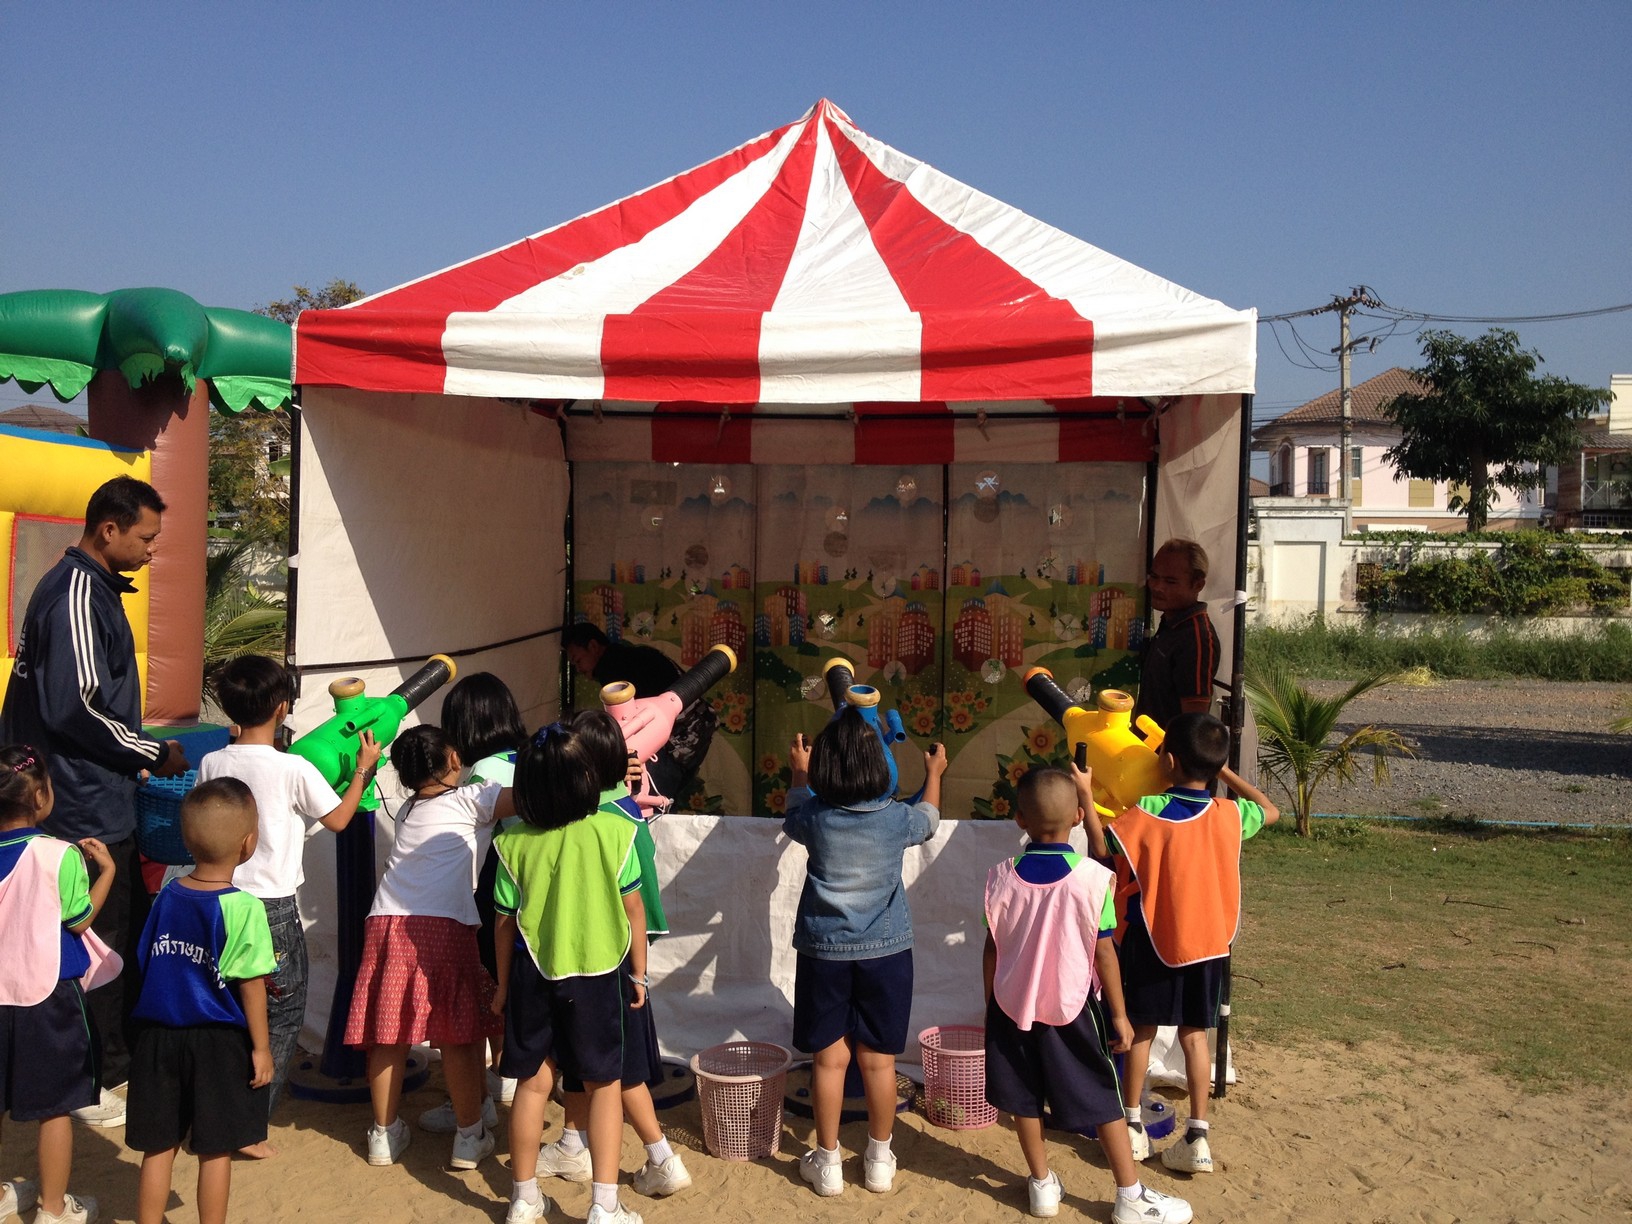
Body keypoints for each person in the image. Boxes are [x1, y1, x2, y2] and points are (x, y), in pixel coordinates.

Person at [0, 476, 191, 1125]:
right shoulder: (77, 594)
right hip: (80, 803)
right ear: (108, 530)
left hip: (91, 792)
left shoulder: (87, 588)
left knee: (110, 930)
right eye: (145, 537)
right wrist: (151, 752)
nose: (150, 550)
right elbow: (75, 708)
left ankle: (108, 1061)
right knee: (92, 940)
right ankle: (93, 1074)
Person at [982, 765, 1192, 1224]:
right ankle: (1129, 1195)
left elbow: (992, 947)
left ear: (1020, 819)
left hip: (1011, 1006)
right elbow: (1104, 954)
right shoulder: (1093, 879)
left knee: (1024, 1098)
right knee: (1102, 1096)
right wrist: (1119, 1015)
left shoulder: (999, 877)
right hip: (1073, 1007)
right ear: (1079, 816)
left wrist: (991, 1004)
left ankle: (1041, 1185)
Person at [196, 656, 383, 1151]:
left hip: (219, 902)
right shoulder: (292, 767)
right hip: (271, 908)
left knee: (229, 1005)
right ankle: (248, 1123)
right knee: (282, 1012)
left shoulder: (212, 763)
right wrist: (362, 771)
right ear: (282, 708)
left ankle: (215, 1107)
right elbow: (339, 819)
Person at [1088, 713, 1278, 1177]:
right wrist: (1222, 773)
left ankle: (1132, 1126)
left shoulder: (1148, 810)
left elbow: (1103, 851)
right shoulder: (1229, 814)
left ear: (1168, 761)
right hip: (1209, 945)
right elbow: (1269, 809)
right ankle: (1198, 1137)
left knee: (1142, 1029)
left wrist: (1083, 794)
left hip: (1153, 939)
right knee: (1195, 1036)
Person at [783, 711, 947, 1197]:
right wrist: (934, 774)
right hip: (887, 953)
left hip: (824, 952)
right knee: (879, 1061)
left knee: (828, 1060)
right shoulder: (896, 819)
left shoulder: (815, 818)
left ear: (825, 767)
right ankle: (878, 1159)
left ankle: (827, 1162)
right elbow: (930, 820)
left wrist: (799, 773)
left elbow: (792, 815)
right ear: (880, 764)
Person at [491, 721, 647, 1224]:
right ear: (587, 780)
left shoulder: (511, 842)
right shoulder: (616, 832)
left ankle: (523, 1198)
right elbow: (635, 912)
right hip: (598, 977)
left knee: (532, 1086)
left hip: (531, 975)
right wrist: (640, 975)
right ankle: (605, 1205)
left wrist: (501, 985)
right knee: (604, 1086)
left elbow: (503, 923)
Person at [531, 710, 689, 1200]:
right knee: (587, 1061)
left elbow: (632, 904)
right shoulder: (624, 809)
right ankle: (572, 1142)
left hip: (603, 962)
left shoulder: (596, 818)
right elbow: (643, 906)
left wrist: (636, 971)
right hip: (618, 958)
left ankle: (661, 1156)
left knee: (615, 1071)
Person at [343, 726, 508, 1171]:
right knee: (457, 1032)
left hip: (385, 919)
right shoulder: (474, 798)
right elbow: (536, 798)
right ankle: (469, 1136)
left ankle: (383, 1134)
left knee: (388, 1033)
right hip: (444, 922)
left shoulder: (408, 808)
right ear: (454, 759)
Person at [126, 778, 275, 1224]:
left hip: (157, 1038)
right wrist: (261, 1048)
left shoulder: (167, 893)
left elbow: (145, 958)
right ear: (248, 842)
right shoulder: (244, 907)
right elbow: (252, 986)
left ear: (186, 840)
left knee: (159, 1146)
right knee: (216, 1149)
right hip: (218, 1043)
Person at [0, 746, 117, 1224]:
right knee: (57, 1106)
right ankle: (53, 1209)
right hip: (48, 996)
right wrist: (107, 871)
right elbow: (79, 920)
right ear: (41, 797)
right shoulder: (59, 854)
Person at [417, 671, 530, 1132]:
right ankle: (505, 1077)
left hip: (495, 893)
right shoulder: (527, 756)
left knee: (485, 991)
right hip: (529, 891)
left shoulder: (483, 771)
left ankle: (473, 1097)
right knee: (510, 985)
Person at [561, 622, 716, 809]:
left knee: (646, 803)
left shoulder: (611, 667)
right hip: (698, 728)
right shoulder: (634, 654)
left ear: (593, 646)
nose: (578, 669)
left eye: (578, 660)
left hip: (677, 737)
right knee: (663, 800)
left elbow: (624, 722)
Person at [1133, 539, 1220, 735]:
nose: (1157, 587)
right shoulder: (1171, 622)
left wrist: (1171, 753)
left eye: (1170, 581)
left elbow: (1194, 722)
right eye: (1154, 577)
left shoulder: (1196, 637)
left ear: (1198, 585)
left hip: (1165, 751)